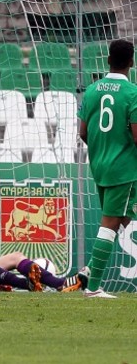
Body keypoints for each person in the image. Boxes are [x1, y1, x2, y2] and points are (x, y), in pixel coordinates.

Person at [78, 38, 137, 299]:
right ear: (132, 63)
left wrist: (103, 149)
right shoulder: (132, 93)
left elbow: (82, 131)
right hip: (124, 169)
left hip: (100, 166)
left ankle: (91, 268)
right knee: (111, 223)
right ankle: (92, 288)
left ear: (108, 60)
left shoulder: (91, 90)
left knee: (127, 219)